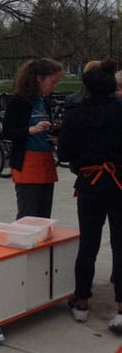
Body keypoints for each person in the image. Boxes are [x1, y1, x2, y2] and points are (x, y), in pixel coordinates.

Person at [57, 60, 122, 332]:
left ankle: (82, 302)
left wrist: (82, 165)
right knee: (121, 244)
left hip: (90, 184)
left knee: (88, 244)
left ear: (87, 87)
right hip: (120, 183)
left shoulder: (74, 115)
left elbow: (64, 154)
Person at [3, 58, 63, 219]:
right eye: (52, 82)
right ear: (39, 79)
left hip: (46, 161)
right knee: (28, 215)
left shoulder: (45, 102)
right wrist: (30, 130)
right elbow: (7, 132)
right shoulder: (19, 101)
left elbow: (47, 131)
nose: (55, 86)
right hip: (27, 163)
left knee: (44, 216)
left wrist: (55, 135)